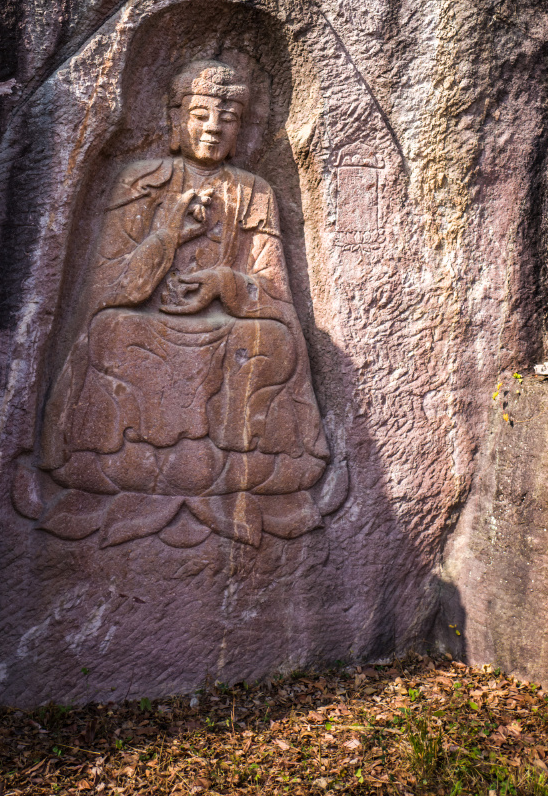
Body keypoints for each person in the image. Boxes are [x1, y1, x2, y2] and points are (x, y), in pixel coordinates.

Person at [32, 59, 330, 548]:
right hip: (148, 331)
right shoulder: (141, 180)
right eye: (200, 114)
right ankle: (178, 466)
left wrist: (222, 283)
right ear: (176, 120)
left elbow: (275, 291)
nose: (213, 127)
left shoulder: (254, 191)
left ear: (241, 129)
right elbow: (108, 286)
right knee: (110, 331)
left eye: (228, 118)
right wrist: (166, 234)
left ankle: (189, 465)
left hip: (226, 333)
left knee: (274, 341)